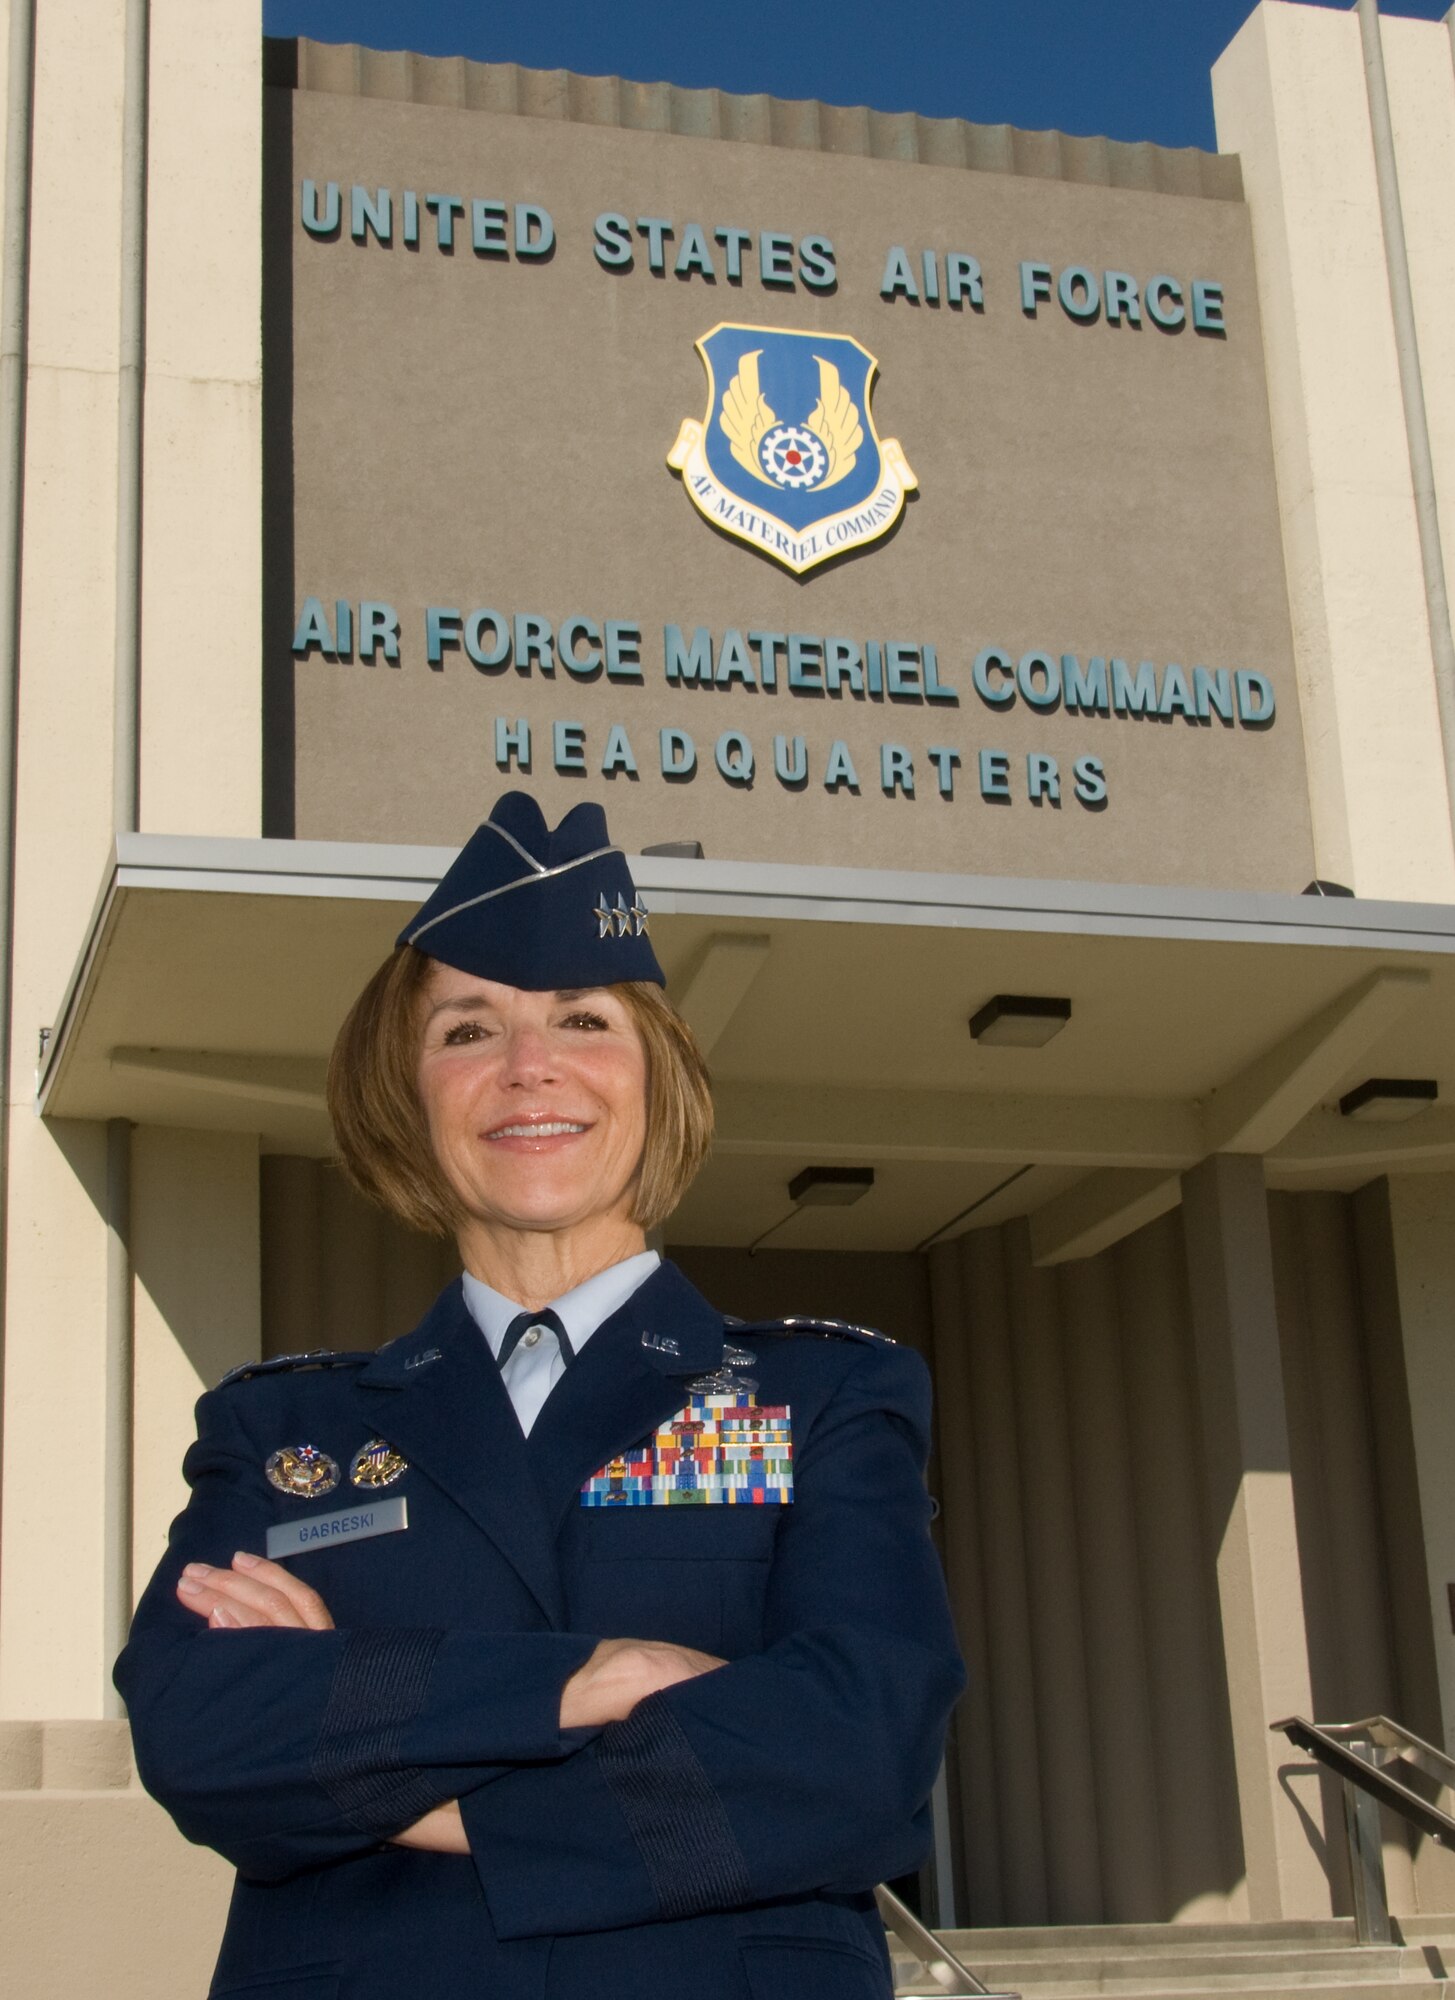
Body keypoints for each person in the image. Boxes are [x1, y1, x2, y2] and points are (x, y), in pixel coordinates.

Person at [115, 791, 965, 2000]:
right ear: (405, 1091)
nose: (529, 1067)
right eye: (467, 1029)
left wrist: (406, 1777)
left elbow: (857, 1750)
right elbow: (200, 1725)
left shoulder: (821, 1395)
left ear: (656, 1079)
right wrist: (580, 1680)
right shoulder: (284, 1431)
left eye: (583, 1017)